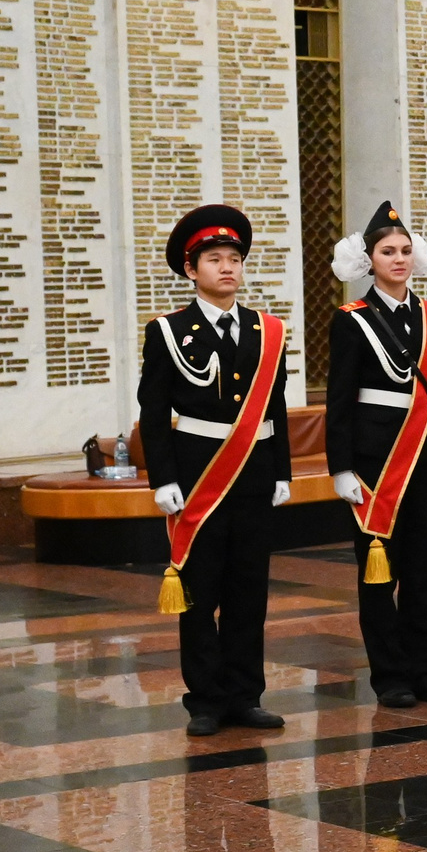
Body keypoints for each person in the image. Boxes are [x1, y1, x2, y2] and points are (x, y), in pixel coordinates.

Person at [142, 205, 292, 737]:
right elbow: (154, 412)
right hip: (198, 479)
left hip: (252, 477)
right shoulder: (168, 331)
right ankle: (205, 700)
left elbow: (274, 406)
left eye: (234, 259)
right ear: (191, 270)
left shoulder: (267, 330)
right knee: (200, 593)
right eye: (214, 259)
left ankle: (245, 695)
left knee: (249, 591)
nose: (227, 268)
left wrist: (282, 471)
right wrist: (162, 478)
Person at [330, 201, 427, 707]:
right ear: (368, 260)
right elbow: (340, 401)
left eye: (405, 250)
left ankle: (424, 669)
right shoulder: (352, 320)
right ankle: (389, 675)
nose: (398, 259)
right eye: (387, 251)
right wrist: (341, 467)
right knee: (378, 573)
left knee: (421, 569)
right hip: (376, 466)